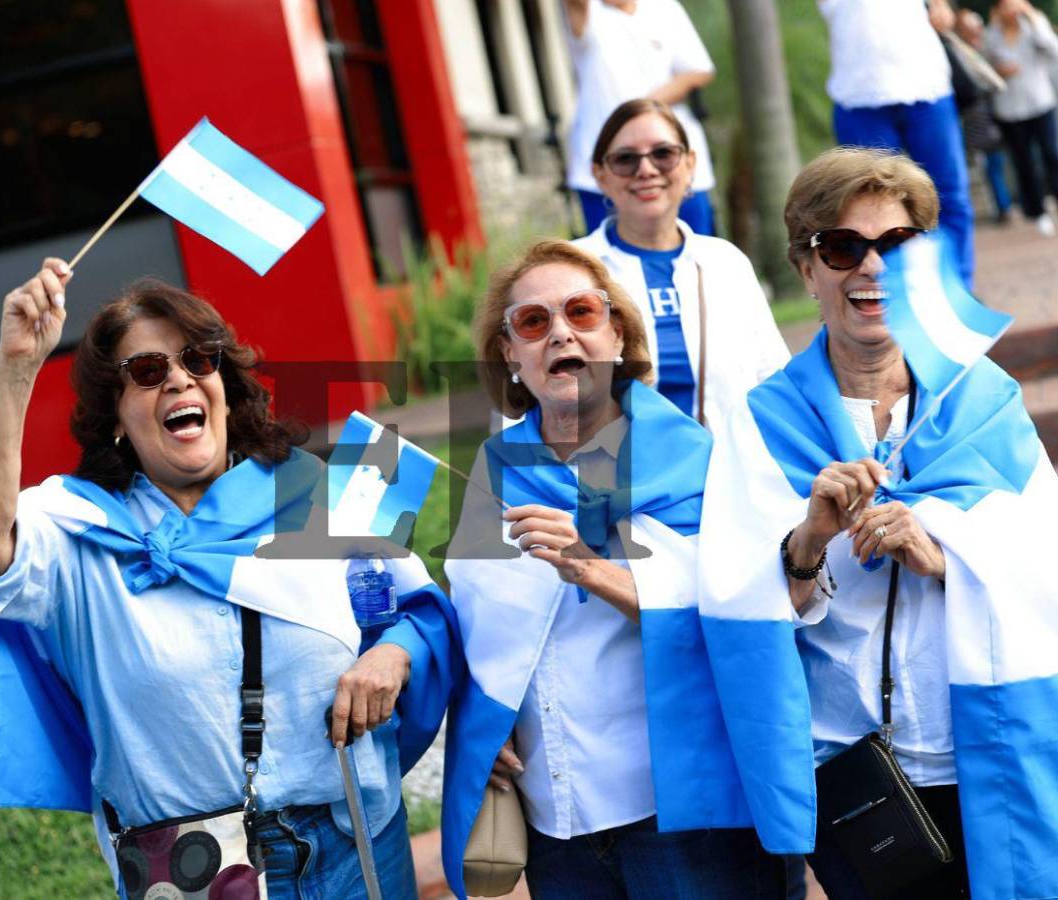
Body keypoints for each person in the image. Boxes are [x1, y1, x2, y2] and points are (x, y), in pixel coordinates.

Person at [0, 262, 456, 899]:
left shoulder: (317, 492)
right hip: (197, 867)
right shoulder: (77, 529)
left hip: (354, 842)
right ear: (115, 416)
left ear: (224, 388)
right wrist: (16, 365)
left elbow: (422, 612)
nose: (180, 378)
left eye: (198, 359)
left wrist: (393, 653)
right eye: (147, 370)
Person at [699, 148, 1058, 898]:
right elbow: (734, 605)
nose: (871, 267)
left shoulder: (984, 400)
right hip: (854, 773)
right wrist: (808, 541)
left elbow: (1044, 557)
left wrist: (946, 555)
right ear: (807, 270)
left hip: (991, 751)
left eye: (895, 245)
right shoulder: (763, 423)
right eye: (842, 247)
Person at [438, 240, 786, 899]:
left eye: (581, 312)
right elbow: (476, 618)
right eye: (533, 322)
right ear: (510, 354)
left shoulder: (695, 462)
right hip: (557, 822)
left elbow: (747, 617)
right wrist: (486, 710)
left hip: (684, 819)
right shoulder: (494, 470)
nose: (560, 333)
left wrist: (592, 569)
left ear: (618, 334)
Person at [571, 98, 788, 428]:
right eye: (625, 159)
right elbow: (529, 391)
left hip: (731, 458)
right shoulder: (569, 270)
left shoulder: (726, 263)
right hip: (615, 460)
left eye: (663, 154)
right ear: (600, 175)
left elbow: (773, 378)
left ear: (690, 165)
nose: (646, 169)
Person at [818, 0, 977, 285]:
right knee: (869, 205)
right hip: (859, 95)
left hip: (926, 88)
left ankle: (957, 290)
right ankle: (891, 295)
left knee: (949, 196)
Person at [562, 0, 719, 236]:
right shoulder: (587, 10)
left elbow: (698, 70)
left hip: (672, 162)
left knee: (696, 247)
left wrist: (644, 111)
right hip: (609, 168)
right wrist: (640, 116)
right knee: (606, 256)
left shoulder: (665, 8)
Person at [985, 0, 1058, 236]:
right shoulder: (991, 34)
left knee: (1052, 153)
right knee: (1024, 161)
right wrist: (999, 71)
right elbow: (984, 68)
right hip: (1009, 109)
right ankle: (1037, 211)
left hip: (1040, 102)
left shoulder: (1034, 25)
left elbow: (1053, 49)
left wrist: (1032, 17)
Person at [954, 8, 1016, 223]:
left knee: (1001, 162)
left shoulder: (985, 46)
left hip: (1001, 112)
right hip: (978, 118)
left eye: (976, 25)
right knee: (992, 164)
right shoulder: (961, 52)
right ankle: (1002, 206)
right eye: (969, 27)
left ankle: (1008, 203)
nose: (975, 30)